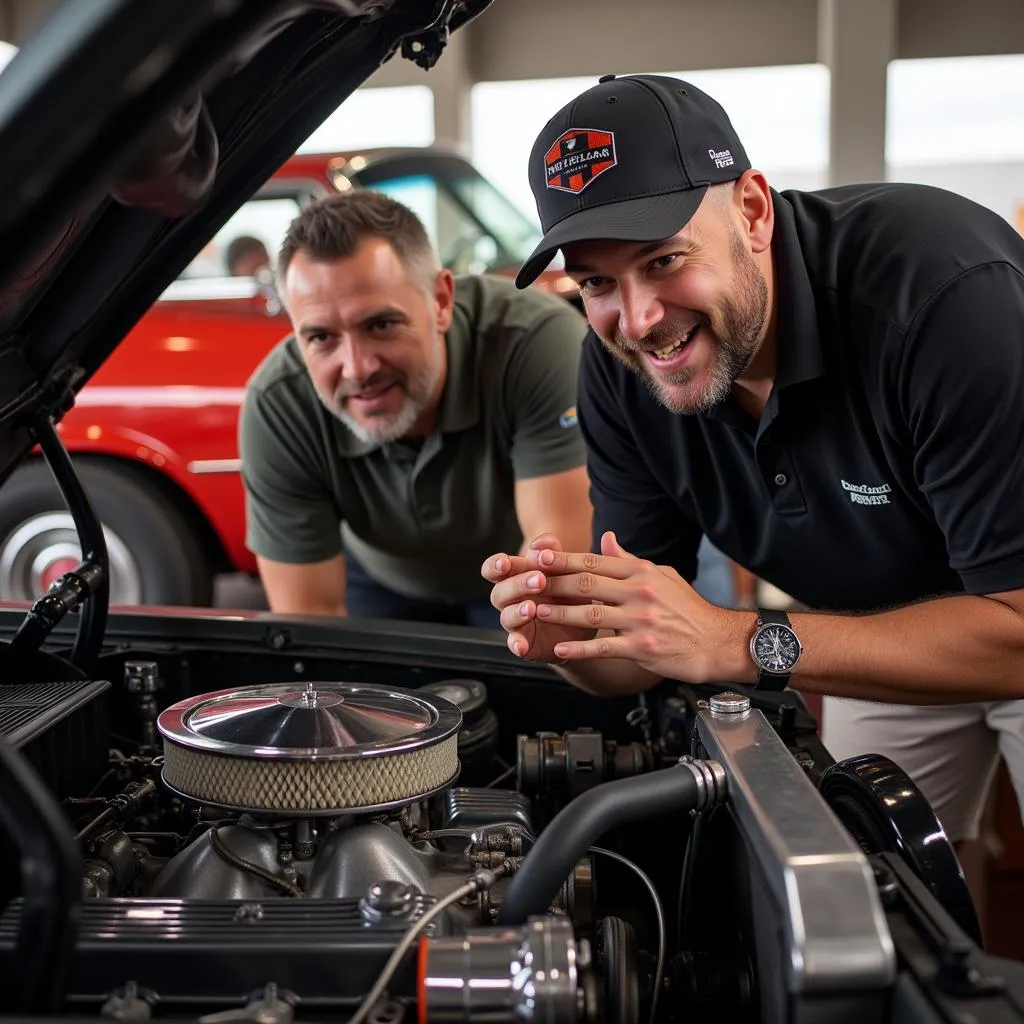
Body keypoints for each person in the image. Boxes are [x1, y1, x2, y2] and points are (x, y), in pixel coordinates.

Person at [482, 73, 1024, 855]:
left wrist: (736, 640)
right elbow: (643, 650)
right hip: (887, 629)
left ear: (754, 210)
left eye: (665, 260)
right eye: (598, 281)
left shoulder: (943, 300)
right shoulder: (619, 369)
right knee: (890, 907)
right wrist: (571, 640)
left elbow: (1014, 629)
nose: (638, 321)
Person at [239, 190, 591, 628]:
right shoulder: (279, 404)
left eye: (381, 325)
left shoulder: (537, 344)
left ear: (441, 301)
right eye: (320, 338)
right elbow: (308, 628)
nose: (358, 368)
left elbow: (551, 577)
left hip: (511, 580)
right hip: (376, 579)